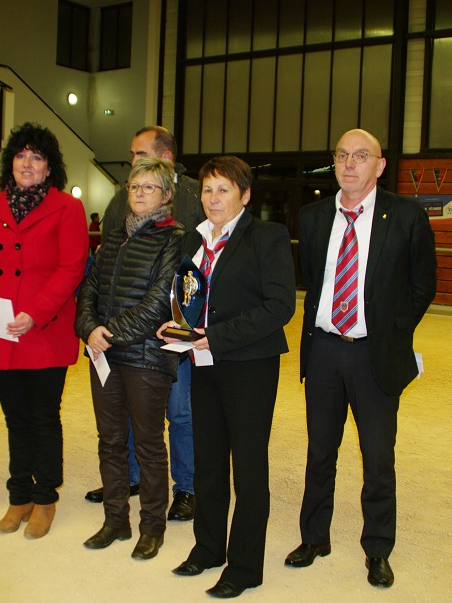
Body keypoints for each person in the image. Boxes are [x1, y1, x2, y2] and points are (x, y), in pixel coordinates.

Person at [284, 128, 437, 588]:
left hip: (375, 356)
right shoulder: (312, 218)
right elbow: (311, 280)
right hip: (326, 351)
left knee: (378, 457)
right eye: (342, 156)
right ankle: (315, 538)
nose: (349, 164)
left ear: (380, 165)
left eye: (361, 156)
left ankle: (378, 549)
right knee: (319, 453)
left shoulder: (406, 216)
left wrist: (392, 332)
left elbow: (422, 284)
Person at [158, 155, 296, 598]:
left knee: (249, 469)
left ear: (245, 195)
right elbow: (188, 299)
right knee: (209, 462)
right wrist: (174, 324)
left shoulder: (267, 237)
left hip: (249, 367)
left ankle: (244, 567)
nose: (212, 198)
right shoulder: (193, 242)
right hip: (202, 365)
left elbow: (279, 308)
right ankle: (208, 549)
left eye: (223, 190)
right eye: (207, 190)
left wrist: (214, 337)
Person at [0, 123, 87, 539]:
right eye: (20, 156)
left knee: (44, 418)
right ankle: (19, 496)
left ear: (49, 168)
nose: (27, 163)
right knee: (15, 419)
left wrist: (36, 312)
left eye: (36, 157)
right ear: (9, 163)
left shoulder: (67, 208)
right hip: (0, 331)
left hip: (44, 333)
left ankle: (45, 498)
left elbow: (71, 269)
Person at [86, 126, 203, 523]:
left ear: (165, 159)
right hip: (124, 333)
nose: (132, 164)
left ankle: (186, 487)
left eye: (139, 154)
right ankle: (131, 477)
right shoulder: (124, 199)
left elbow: (193, 272)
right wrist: (95, 326)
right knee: (133, 414)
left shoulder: (195, 197)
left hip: (173, 326)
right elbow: (104, 266)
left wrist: (185, 326)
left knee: (180, 413)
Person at [76, 157, 184, 560]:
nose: (139, 193)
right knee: (110, 440)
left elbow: (160, 301)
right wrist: (89, 328)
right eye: (134, 186)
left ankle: (152, 527)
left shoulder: (173, 238)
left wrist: (110, 334)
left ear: (166, 195)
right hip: (103, 353)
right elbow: (88, 291)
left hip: (145, 358)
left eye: (149, 187)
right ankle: (115, 520)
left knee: (149, 444)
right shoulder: (111, 237)